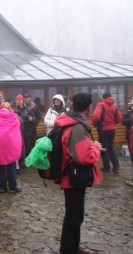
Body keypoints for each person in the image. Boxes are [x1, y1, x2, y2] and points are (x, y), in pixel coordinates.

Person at [55, 92, 102, 254]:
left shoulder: (69, 121)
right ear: (89, 107)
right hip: (74, 177)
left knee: (74, 215)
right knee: (74, 217)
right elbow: (83, 157)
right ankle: (69, 250)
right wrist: (95, 147)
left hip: (70, 174)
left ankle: (72, 247)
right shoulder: (77, 126)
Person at [0, 102, 22, 193]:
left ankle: (2, 187)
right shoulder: (13, 116)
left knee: (0, 166)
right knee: (11, 165)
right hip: (9, 144)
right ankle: (12, 187)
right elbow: (18, 126)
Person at [92, 92, 122, 173]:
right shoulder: (114, 106)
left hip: (103, 129)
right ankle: (116, 166)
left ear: (103, 97)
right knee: (110, 147)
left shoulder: (100, 105)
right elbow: (119, 118)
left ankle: (107, 168)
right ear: (110, 97)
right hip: (112, 129)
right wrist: (112, 123)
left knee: (104, 148)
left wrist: (94, 124)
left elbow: (96, 116)